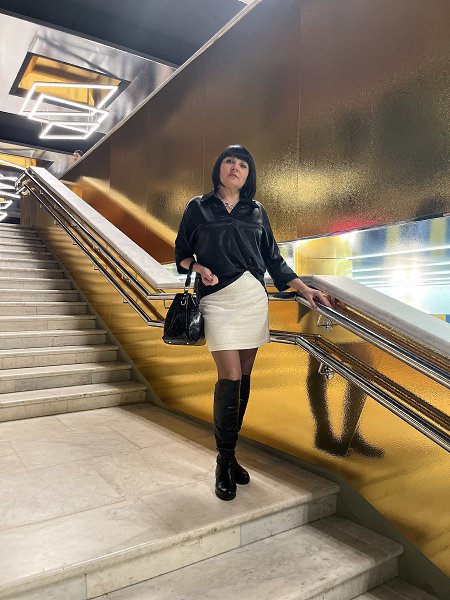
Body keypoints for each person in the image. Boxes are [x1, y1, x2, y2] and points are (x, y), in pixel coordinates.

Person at [174, 145, 331, 501]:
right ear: (219, 168)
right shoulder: (198, 207)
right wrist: (198, 267)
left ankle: (231, 457)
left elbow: (274, 259)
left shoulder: (257, 211)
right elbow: (181, 254)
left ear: (249, 175)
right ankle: (223, 461)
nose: (235, 167)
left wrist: (305, 289)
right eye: (229, 161)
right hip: (217, 299)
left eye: (243, 164)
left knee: (243, 379)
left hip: (252, 299)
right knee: (229, 377)